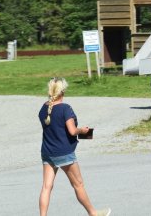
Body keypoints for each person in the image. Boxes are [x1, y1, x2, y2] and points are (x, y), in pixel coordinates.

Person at [38, 77, 109, 216]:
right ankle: (93, 214)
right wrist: (82, 130)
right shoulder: (65, 109)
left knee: (46, 186)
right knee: (78, 184)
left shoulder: (44, 108)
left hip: (47, 152)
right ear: (63, 91)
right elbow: (72, 131)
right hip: (64, 152)